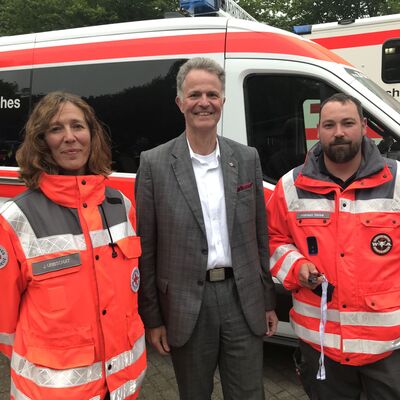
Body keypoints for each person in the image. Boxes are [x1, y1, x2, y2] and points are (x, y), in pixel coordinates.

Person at [135, 57, 278, 400]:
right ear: (180, 102)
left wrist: (268, 299)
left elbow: (259, 236)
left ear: (223, 101)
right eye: (195, 94)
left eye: (212, 94)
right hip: (186, 305)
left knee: (249, 393)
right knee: (194, 393)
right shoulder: (154, 163)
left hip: (241, 299)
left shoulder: (246, 159)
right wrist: (153, 317)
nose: (204, 102)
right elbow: (147, 248)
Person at [0, 92, 146, 400]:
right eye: (56, 129)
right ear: (42, 141)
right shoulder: (15, 219)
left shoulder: (121, 205)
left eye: (78, 126)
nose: (69, 138)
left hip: (122, 385)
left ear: (92, 136)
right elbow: (5, 321)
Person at [267, 93, 400, 399]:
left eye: (347, 123)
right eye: (329, 124)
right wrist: (297, 267)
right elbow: (274, 241)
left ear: (364, 127)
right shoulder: (291, 186)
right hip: (321, 348)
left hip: (388, 348)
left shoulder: (397, 181)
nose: (338, 131)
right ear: (319, 130)